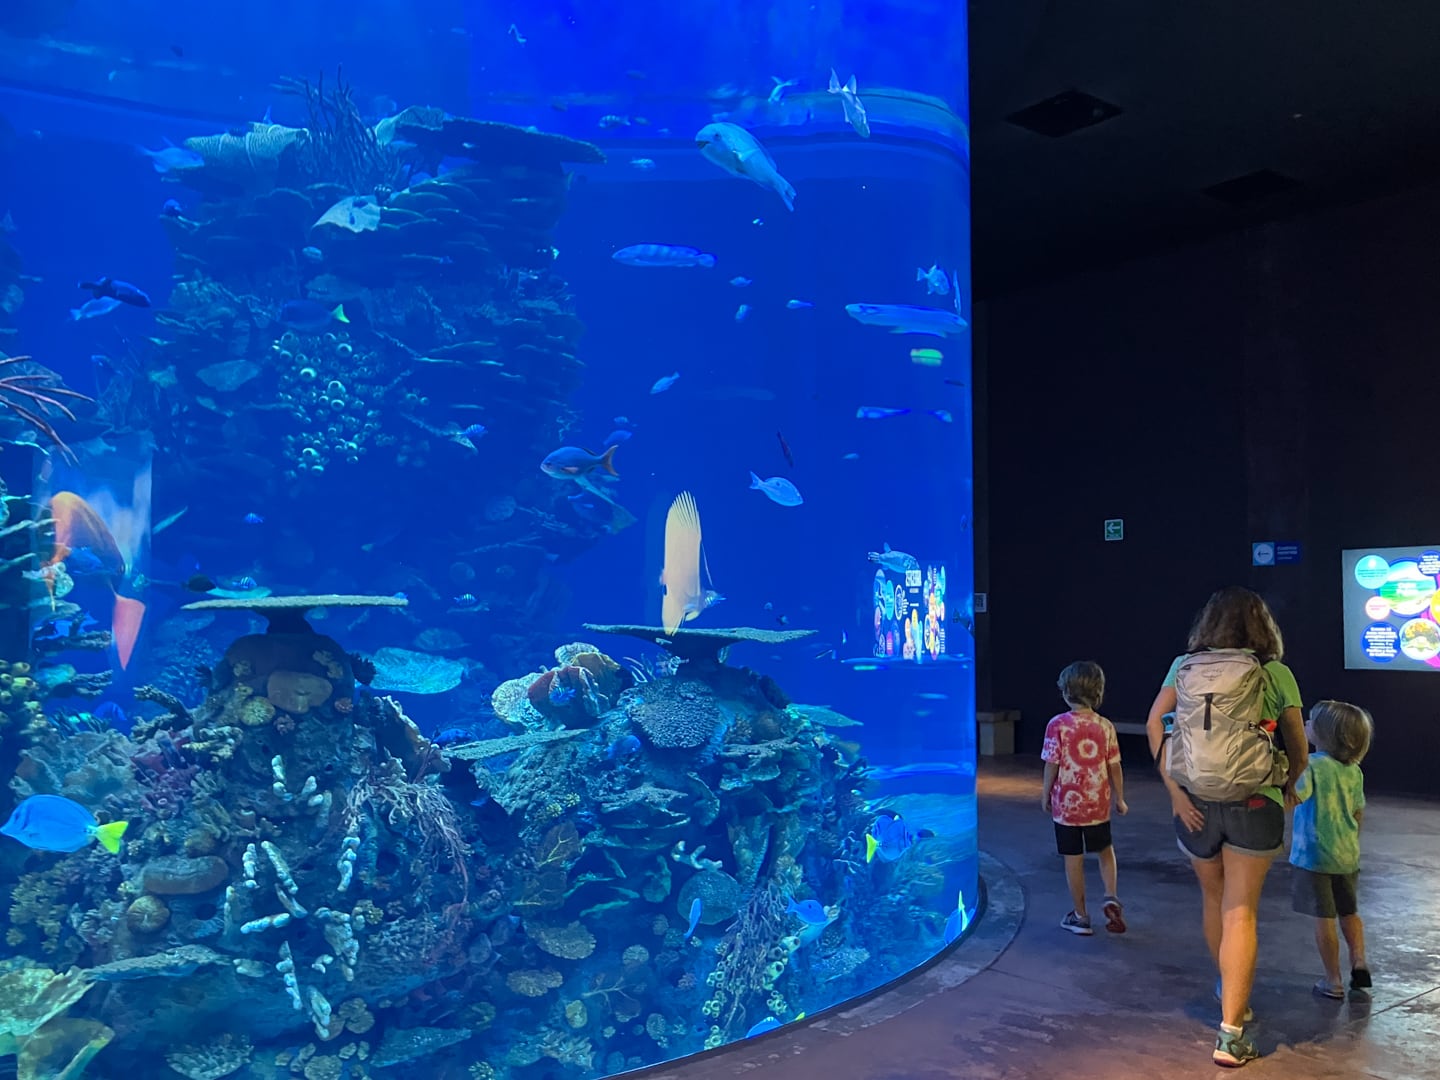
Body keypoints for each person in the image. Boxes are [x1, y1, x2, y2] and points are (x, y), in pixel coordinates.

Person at [1145, 586, 1308, 1069]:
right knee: (1241, 912)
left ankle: (1226, 986)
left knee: (1214, 900)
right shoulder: (1274, 672)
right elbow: (1299, 745)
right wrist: (1291, 785)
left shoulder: (1184, 665)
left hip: (1195, 803)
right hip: (1254, 802)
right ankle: (1231, 1033)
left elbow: (1155, 724)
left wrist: (1175, 791)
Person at [1291, 699, 1373, 1001]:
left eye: (1311, 722)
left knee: (1323, 918)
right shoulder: (1354, 772)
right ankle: (1359, 962)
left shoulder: (1312, 766)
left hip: (1314, 857)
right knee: (1349, 912)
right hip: (1347, 856)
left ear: (1324, 734)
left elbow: (1297, 796)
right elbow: (1358, 813)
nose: (1305, 725)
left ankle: (1333, 979)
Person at [1041, 660, 1127, 936]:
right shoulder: (1105, 726)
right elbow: (1114, 765)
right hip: (1097, 805)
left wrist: (1045, 794)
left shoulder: (1057, 725)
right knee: (1105, 851)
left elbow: (1052, 764)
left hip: (1066, 807)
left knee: (1073, 858)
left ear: (1067, 691)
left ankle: (1080, 916)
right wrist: (1120, 798)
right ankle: (1110, 895)